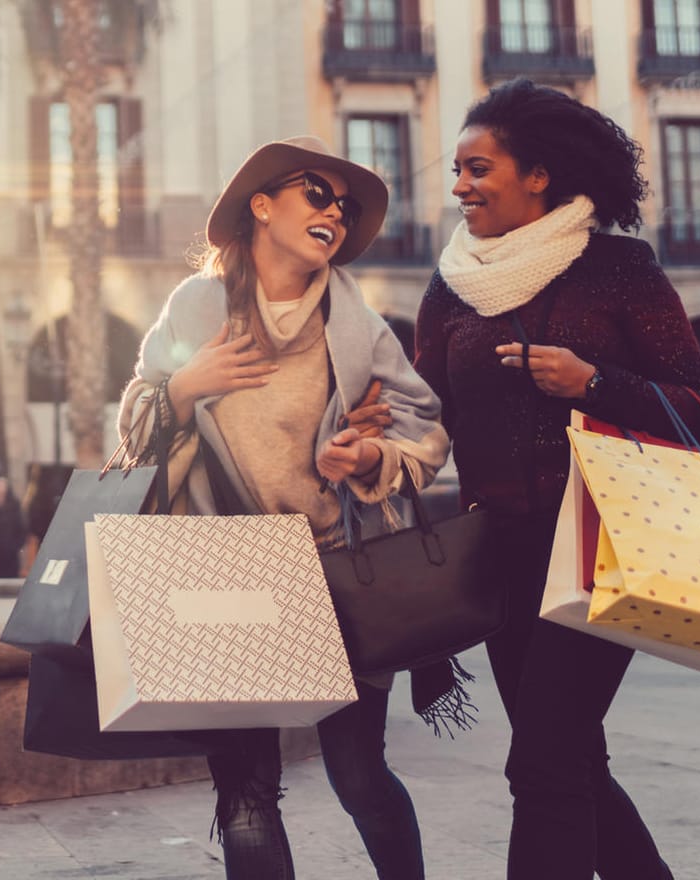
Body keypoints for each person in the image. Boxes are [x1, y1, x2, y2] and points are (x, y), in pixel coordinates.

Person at [118, 135, 451, 880]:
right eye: (317, 193)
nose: (335, 211)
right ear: (261, 205)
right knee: (244, 792)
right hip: (224, 572)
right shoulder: (196, 306)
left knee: (360, 775)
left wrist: (365, 456)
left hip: (337, 570)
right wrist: (181, 388)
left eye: (346, 205)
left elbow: (422, 425)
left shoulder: (356, 321)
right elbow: (136, 425)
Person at [413, 78, 700, 880]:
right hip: (503, 559)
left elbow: (699, 409)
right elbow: (426, 409)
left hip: (601, 552)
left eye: (478, 169)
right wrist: (374, 439)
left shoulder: (617, 269)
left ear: (538, 174)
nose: (459, 187)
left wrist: (592, 383)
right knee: (574, 759)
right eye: (457, 170)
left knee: (541, 765)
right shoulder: (452, 282)